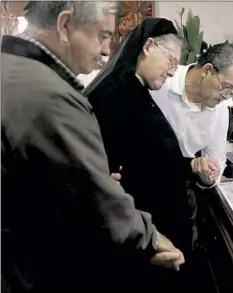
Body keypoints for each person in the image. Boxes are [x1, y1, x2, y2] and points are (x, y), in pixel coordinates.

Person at [1, 2, 184, 291]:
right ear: (64, 25)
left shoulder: (10, 67)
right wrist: (150, 238)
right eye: (101, 35)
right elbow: (94, 195)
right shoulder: (50, 95)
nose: (106, 51)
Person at [83, 18, 217, 290]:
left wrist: (191, 165)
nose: (171, 72)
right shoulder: (114, 92)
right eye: (170, 61)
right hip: (137, 240)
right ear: (148, 46)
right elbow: (110, 171)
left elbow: (149, 159)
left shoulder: (132, 88)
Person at [150, 42, 233, 185]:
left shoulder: (220, 108)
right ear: (207, 70)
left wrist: (209, 173)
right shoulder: (162, 82)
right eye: (226, 87)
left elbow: (217, 161)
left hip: (181, 185)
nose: (226, 96)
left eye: (232, 92)